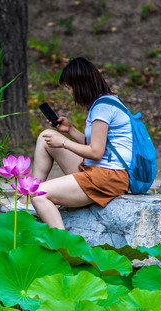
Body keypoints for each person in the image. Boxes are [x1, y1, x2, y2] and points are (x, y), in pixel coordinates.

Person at [29, 56, 132, 229]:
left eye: (70, 88)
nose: (69, 93)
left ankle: (62, 247)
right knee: (46, 137)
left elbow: (96, 152)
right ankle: (27, 198)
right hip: (99, 169)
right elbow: (98, 145)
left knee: (39, 194)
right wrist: (70, 131)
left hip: (109, 177)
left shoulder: (103, 108)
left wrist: (63, 142)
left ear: (80, 85)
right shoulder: (105, 102)